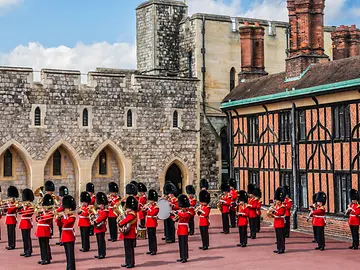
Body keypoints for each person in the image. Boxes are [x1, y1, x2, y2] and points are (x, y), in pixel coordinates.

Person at [58, 195, 76, 270]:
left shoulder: (72, 217)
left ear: (70, 208)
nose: (65, 210)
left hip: (69, 236)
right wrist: (58, 219)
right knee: (67, 253)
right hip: (65, 236)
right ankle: (68, 267)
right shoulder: (65, 216)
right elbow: (60, 224)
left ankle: (71, 268)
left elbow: (67, 223)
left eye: (66, 208)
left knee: (70, 254)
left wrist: (63, 217)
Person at [119, 196, 138, 269]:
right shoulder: (130, 213)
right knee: (127, 249)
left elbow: (126, 220)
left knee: (129, 249)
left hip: (130, 233)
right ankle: (127, 262)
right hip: (127, 233)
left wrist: (120, 223)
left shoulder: (132, 214)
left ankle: (131, 263)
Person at [35, 194, 54, 265]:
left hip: (45, 229)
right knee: (42, 245)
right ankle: (43, 258)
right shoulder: (42, 212)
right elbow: (37, 219)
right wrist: (38, 214)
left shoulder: (50, 213)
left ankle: (47, 259)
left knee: (45, 245)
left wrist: (43, 212)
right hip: (40, 229)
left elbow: (46, 219)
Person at [174, 194, 191, 263]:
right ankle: (181, 256)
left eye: (182, 207)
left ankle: (185, 257)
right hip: (180, 229)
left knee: (184, 244)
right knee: (180, 244)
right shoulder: (180, 212)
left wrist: (178, 213)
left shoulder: (188, 213)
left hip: (184, 229)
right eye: (181, 207)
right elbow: (177, 219)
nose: (181, 208)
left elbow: (185, 216)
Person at [269, 187, 286, 254]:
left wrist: (273, 212)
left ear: (280, 200)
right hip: (276, 223)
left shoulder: (282, 207)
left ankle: (282, 249)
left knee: (281, 237)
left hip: (280, 223)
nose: (276, 202)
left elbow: (280, 214)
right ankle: (278, 248)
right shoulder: (276, 206)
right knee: (278, 237)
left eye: (277, 200)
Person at [19, 188, 35, 257]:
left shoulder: (30, 207)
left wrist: (24, 207)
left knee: (27, 238)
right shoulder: (25, 207)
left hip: (27, 223)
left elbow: (26, 213)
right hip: (23, 223)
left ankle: (29, 251)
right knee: (24, 238)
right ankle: (26, 250)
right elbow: (20, 212)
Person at [93, 192, 109, 259]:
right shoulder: (98, 210)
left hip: (101, 227)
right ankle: (100, 253)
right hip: (97, 228)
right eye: (99, 204)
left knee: (101, 241)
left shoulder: (105, 211)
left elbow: (101, 218)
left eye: (101, 204)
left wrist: (95, 220)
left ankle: (102, 253)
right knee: (98, 242)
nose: (100, 206)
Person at [145, 189, 159, 256]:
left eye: (151, 200)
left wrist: (148, 208)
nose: (150, 202)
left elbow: (153, 213)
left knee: (153, 237)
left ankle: (154, 250)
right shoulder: (150, 206)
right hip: (148, 223)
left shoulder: (156, 207)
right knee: (150, 237)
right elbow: (146, 212)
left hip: (153, 223)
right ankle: (150, 249)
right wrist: (145, 209)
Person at [5, 186, 19, 250]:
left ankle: (12, 245)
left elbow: (10, 211)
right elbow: (5, 211)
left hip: (12, 219)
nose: (10, 199)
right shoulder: (9, 204)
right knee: (9, 233)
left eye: (11, 198)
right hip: (8, 220)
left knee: (11, 233)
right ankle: (10, 244)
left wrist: (8, 205)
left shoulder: (15, 204)